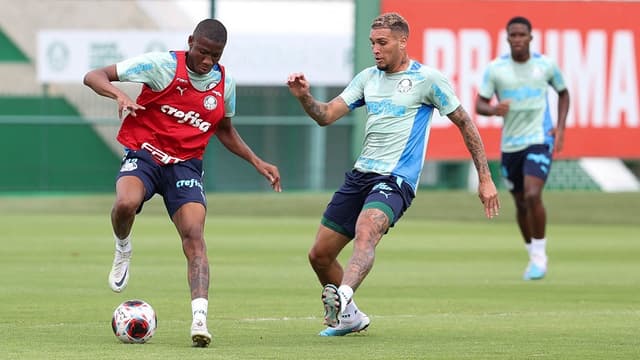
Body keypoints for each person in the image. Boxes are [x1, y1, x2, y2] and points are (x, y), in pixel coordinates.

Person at [286, 12, 500, 337]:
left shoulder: (428, 79)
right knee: (319, 255)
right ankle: (351, 317)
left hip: (396, 180)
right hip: (360, 176)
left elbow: (465, 122)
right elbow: (326, 115)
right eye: (372, 43)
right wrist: (304, 98)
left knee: (366, 229)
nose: (376, 49)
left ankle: (341, 298)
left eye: (382, 42)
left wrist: (484, 178)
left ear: (402, 41)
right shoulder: (367, 78)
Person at [84, 19, 282, 347]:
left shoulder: (224, 83)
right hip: (145, 155)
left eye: (215, 55)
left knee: (194, 236)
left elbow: (225, 130)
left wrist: (257, 161)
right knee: (125, 204)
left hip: (186, 167)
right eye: (203, 52)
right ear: (191, 41)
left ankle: (199, 320)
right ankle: (123, 246)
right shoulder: (161, 65)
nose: (207, 61)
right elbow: (94, 76)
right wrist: (119, 94)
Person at [475, 16, 570, 281]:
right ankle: (533, 255)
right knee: (519, 201)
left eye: (521, 35)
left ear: (530, 37)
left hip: (540, 139)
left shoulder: (545, 65)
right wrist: (494, 109)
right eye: (512, 35)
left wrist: (560, 127)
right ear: (507, 39)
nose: (517, 39)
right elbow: (479, 104)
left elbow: (563, 93)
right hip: (511, 145)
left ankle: (540, 255)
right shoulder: (496, 69)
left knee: (531, 194)